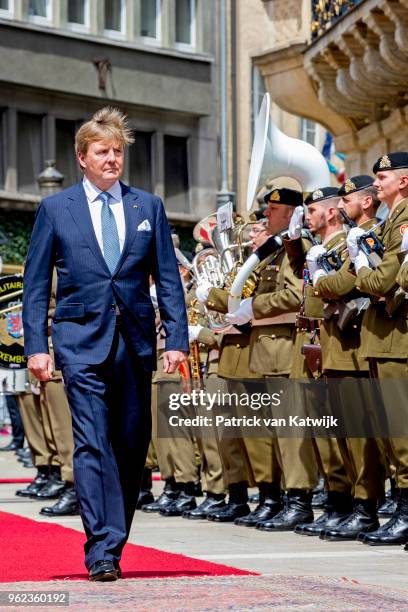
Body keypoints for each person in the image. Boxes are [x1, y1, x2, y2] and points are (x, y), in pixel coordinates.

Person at [22, 107, 188, 581]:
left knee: (132, 444)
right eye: (103, 152)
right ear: (82, 158)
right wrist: (37, 346)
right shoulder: (57, 209)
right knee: (91, 442)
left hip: (134, 341)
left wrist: (174, 338)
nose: (113, 159)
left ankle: (114, 536)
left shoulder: (147, 207)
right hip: (79, 341)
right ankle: (103, 549)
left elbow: (168, 279)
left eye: (118, 151)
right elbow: (36, 284)